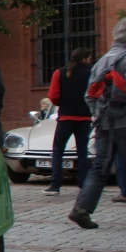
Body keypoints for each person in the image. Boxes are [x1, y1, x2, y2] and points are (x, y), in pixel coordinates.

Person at [69, 18, 126, 229]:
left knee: (100, 167)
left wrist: (98, 114)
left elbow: (89, 95)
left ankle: (81, 209)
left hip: (104, 122)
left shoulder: (102, 60)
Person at [44, 47, 93, 195]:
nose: (90, 61)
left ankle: (55, 184)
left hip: (65, 117)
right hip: (84, 117)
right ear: (84, 59)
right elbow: (94, 93)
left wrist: (63, 103)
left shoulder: (60, 73)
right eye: (89, 58)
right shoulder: (90, 73)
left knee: (58, 150)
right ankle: (83, 183)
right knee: (82, 151)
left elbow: (53, 96)